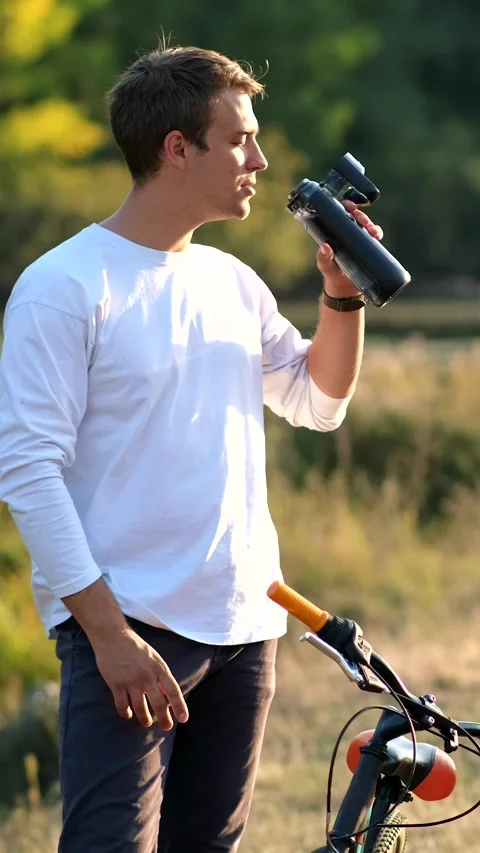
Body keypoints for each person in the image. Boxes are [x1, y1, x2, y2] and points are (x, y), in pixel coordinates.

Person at [0, 46, 382, 853]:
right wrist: (108, 634)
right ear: (177, 148)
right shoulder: (64, 286)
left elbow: (316, 403)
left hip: (244, 626)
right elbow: (28, 472)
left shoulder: (230, 281)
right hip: (129, 627)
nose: (261, 160)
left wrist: (340, 295)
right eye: (239, 139)